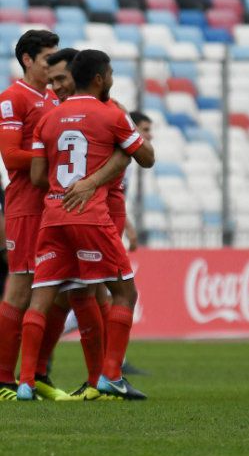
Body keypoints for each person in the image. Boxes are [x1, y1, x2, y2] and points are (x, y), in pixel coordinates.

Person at [16, 49, 155, 401]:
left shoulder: (49, 118)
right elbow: (147, 158)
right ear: (99, 78)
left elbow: (36, 175)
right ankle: (110, 376)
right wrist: (99, 174)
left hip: (52, 216)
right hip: (90, 215)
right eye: (109, 73)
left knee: (42, 298)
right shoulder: (111, 113)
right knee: (124, 292)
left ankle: (26, 382)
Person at [0, 30, 60, 401]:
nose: (52, 66)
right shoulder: (11, 98)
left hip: (55, 206)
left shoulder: (55, 97)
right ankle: (4, 379)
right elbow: (10, 156)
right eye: (47, 59)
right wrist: (51, 157)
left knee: (61, 294)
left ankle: (37, 373)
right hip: (25, 206)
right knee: (20, 290)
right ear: (27, 60)